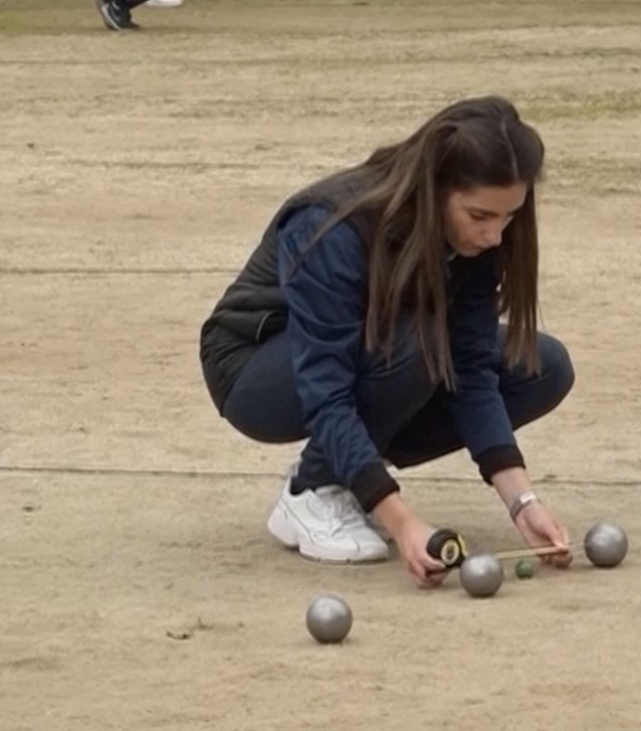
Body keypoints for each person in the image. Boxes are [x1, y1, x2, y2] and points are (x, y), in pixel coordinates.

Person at [198, 96, 577, 589]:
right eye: (480, 215)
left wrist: (522, 502)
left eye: (508, 218)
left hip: (379, 351)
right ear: (434, 188)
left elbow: (472, 366)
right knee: (420, 343)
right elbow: (325, 384)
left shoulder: (481, 239)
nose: (494, 236)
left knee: (542, 366)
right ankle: (311, 489)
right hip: (255, 366)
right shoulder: (332, 224)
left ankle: (348, 471)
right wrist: (402, 521)